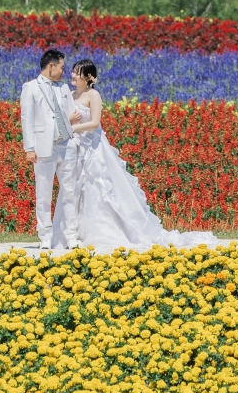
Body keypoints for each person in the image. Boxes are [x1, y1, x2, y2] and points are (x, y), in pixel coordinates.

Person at [51, 58, 217, 253]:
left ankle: (102, 231)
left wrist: (72, 127)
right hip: (77, 147)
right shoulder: (70, 95)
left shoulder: (93, 95)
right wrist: (67, 126)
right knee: (74, 189)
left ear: (88, 77)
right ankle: (73, 232)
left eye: (77, 72)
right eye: (72, 71)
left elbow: (95, 123)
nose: (73, 75)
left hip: (94, 148)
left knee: (99, 187)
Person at [20, 48, 79, 251]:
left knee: (69, 192)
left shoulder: (62, 89)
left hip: (66, 145)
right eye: (62, 67)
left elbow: (73, 114)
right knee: (43, 193)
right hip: (43, 147)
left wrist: (74, 140)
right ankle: (45, 235)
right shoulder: (31, 87)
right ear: (51, 66)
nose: (64, 71)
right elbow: (26, 119)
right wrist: (29, 148)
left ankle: (71, 235)